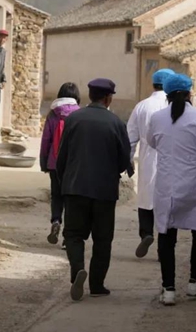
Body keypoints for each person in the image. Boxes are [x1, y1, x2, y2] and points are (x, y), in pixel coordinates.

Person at [146, 73, 196, 306]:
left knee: (166, 235)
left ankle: (168, 289)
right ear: (190, 93)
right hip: (195, 185)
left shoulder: (157, 118)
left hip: (166, 187)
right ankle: (194, 283)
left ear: (167, 95)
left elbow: (152, 142)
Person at [56, 78, 133, 301]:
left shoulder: (74, 119)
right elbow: (124, 160)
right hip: (104, 191)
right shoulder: (116, 123)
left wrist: (64, 182)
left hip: (75, 188)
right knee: (102, 239)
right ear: (108, 98)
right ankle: (97, 285)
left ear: (90, 96)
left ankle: (78, 270)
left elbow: (62, 157)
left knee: (73, 235)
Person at [127, 68, 175, 259]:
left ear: (153, 84)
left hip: (147, 160)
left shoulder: (142, 106)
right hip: (171, 162)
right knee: (167, 205)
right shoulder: (174, 107)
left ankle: (146, 233)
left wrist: (129, 160)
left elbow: (130, 137)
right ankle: (165, 247)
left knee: (146, 199)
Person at [40, 82, 81, 249]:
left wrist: (44, 162)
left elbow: (46, 140)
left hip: (54, 163)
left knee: (56, 195)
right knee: (71, 198)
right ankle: (67, 238)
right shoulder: (80, 114)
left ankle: (56, 221)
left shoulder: (53, 114)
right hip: (73, 165)